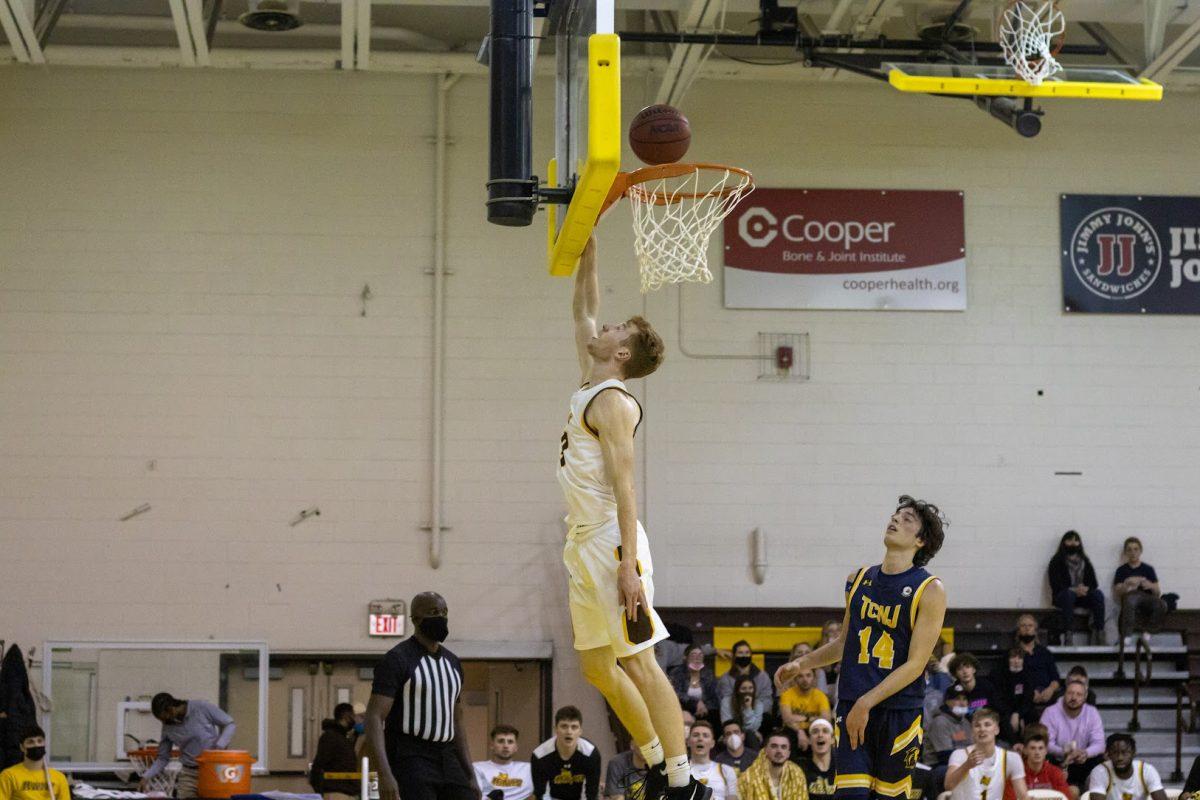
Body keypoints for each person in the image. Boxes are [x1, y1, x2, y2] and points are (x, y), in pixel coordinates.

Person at [558, 235, 705, 800]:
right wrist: (590, 240)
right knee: (597, 667)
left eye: (617, 328)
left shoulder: (615, 401)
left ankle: (681, 779)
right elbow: (583, 307)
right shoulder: (589, 383)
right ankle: (650, 762)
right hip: (581, 542)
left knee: (640, 662)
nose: (605, 326)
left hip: (609, 544)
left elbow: (627, 487)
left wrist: (628, 568)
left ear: (623, 354)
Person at [775, 495, 948, 800]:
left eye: (907, 519)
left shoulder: (930, 589)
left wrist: (866, 703)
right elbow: (844, 643)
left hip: (898, 712)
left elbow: (916, 664)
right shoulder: (858, 580)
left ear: (921, 540)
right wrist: (802, 664)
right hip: (853, 705)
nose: (895, 520)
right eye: (896, 515)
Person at [366, 592, 479, 800]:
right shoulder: (397, 659)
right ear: (416, 619)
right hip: (411, 757)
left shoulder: (453, 663)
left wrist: (471, 774)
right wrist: (385, 775)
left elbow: (457, 721)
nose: (441, 617)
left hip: (447, 755)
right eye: (434, 612)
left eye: (444, 612)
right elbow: (374, 717)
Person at [142, 692, 237, 798]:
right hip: (188, 773)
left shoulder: (201, 707)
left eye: (165, 718)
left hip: (212, 770)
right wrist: (146, 776)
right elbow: (163, 758)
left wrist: (219, 746)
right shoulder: (167, 727)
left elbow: (229, 723)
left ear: (172, 709)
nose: (164, 723)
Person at [945, 709, 1029, 800]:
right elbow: (948, 786)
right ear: (972, 731)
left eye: (987, 724)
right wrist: (967, 765)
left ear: (996, 730)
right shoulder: (959, 754)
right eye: (977, 726)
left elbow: (1022, 795)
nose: (982, 729)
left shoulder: (1012, 758)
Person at [1039, 680, 1105, 792]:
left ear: (1085, 697)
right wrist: (1063, 752)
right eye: (1070, 693)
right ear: (1064, 694)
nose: (1074, 697)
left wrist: (1086, 753)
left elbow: (1100, 744)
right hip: (1057, 760)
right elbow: (1045, 743)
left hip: (1083, 760)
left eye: (1079, 694)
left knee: (1099, 759)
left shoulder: (1092, 712)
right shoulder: (1050, 712)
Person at [1048, 531, 1105, 645]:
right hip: (1063, 596)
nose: (1073, 543)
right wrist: (1073, 590)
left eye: (1076, 540)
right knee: (1068, 595)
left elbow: (1093, 583)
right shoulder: (1056, 561)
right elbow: (1055, 584)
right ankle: (1068, 635)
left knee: (1098, 594)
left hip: (1082, 595)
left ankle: (1099, 633)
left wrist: (1085, 589)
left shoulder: (1085, 561)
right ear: (1064, 543)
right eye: (1069, 540)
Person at [531, 707, 601, 800]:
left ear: (580, 731)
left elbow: (592, 793)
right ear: (556, 729)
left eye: (574, 727)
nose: (569, 732)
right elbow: (540, 794)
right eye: (564, 726)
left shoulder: (591, 753)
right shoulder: (539, 755)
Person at [1113, 538, 1167, 640]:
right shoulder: (1121, 570)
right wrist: (1127, 584)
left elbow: (1157, 592)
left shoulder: (1148, 569)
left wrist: (1151, 585)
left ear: (1140, 551)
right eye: (1129, 550)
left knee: (1161, 603)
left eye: (1136, 549)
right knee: (1131, 598)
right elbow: (1117, 592)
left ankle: (1148, 631)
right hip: (1130, 597)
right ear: (1125, 552)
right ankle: (1127, 635)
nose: (1133, 552)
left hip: (1146, 598)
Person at [1084, 734, 1166, 800]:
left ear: (1133, 753)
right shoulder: (1100, 772)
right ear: (1108, 754)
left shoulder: (1147, 771)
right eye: (1115, 752)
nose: (1120, 758)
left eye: (1125, 753)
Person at [0, 726, 70, 800]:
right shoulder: (8, 776)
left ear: (45, 744)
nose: (36, 745)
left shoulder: (59, 778)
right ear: (22, 747)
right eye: (30, 742)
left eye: (40, 741)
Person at [310, 703, 360, 800]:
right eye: (353, 716)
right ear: (346, 716)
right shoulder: (331, 737)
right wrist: (321, 792)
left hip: (346, 792)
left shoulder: (343, 738)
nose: (355, 720)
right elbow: (318, 765)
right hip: (337, 793)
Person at [738, 732, 808, 800]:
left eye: (783, 747)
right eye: (774, 746)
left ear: (788, 753)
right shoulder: (748, 778)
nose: (779, 751)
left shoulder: (797, 774)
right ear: (765, 750)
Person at [1013, 615, 1061, 715]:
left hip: (1047, 692)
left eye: (1030, 625)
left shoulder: (1045, 653)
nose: (1027, 628)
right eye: (1023, 625)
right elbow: (1012, 680)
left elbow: (1055, 678)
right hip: (1024, 694)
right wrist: (1029, 692)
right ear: (1018, 631)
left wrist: (1050, 690)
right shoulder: (1013, 654)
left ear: (1035, 630)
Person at [1008, 726, 1072, 800]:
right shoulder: (1015, 774)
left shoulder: (1056, 773)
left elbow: (1066, 798)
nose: (1037, 752)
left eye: (1041, 748)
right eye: (1033, 748)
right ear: (1025, 750)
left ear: (1046, 751)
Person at [474, 725, 533, 800]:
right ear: (492, 745)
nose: (505, 746)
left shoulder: (529, 769)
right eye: (501, 741)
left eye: (510, 742)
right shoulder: (477, 768)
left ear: (516, 747)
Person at [779, 670, 831, 751]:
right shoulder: (787, 695)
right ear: (795, 679)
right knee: (788, 736)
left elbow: (826, 718)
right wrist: (800, 731)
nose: (805, 679)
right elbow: (787, 718)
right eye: (800, 676)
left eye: (808, 675)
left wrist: (802, 718)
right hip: (792, 729)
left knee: (821, 735)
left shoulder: (820, 696)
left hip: (813, 729)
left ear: (814, 678)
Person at [925, 684, 973, 767]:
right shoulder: (940, 722)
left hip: (962, 763)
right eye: (957, 699)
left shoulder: (965, 722)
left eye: (965, 699)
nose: (962, 703)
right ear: (947, 702)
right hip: (938, 766)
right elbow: (945, 756)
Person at [717, 643, 775, 711]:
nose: (744, 655)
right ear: (734, 656)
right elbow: (726, 702)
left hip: (759, 716)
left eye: (747, 652)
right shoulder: (726, 678)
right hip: (735, 716)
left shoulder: (763, 676)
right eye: (740, 653)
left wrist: (753, 712)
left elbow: (767, 700)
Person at [689, 722, 739, 800]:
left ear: (712, 743)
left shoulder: (726, 770)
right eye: (696, 735)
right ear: (688, 742)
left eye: (705, 735)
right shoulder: (680, 771)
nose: (700, 739)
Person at [672, 646, 721, 723]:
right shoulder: (677, 673)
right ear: (686, 658)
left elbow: (714, 698)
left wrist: (704, 707)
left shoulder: (708, 674)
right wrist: (696, 703)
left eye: (700, 655)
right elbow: (676, 693)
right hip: (682, 710)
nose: (697, 658)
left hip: (704, 712)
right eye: (693, 655)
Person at [994, 649, 1033, 742]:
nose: (1016, 661)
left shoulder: (1028, 676)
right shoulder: (999, 675)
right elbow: (998, 699)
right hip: (1005, 711)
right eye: (1013, 657)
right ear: (1008, 660)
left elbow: (1028, 699)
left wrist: (1018, 714)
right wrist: (1012, 714)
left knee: (1032, 715)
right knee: (1003, 719)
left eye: (1020, 658)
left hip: (1023, 711)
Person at [948, 654, 1001, 720]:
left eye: (968, 667)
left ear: (974, 669)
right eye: (960, 669)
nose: (965, 672)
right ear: (955, 674)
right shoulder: (952, 692)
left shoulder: (987, 686)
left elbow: (998, 709)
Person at [797, 720, 835, 800]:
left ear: (832, 739)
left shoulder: (842, 768)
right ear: (809, 740)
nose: (820, 735)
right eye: (815, 732)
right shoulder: (799, 769)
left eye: (825, 731)